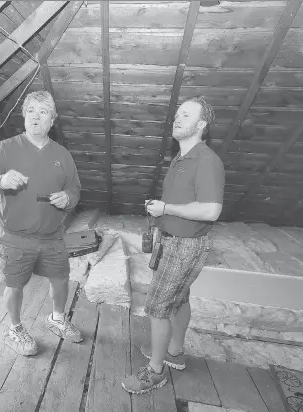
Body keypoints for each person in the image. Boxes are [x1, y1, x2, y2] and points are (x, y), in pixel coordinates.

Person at [122, 96, 225, 394]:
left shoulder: (206, 160)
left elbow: (210, 211)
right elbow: (183, 203)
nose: (178, 119)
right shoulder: (181, 158)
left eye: (186, 115)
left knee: (157, 307)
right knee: (179, 300)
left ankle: (154, 371)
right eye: (178, 114)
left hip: (186, 245)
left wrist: (165, 208)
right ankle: (174, 351)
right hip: (172, 240)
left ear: (201, 125)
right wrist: (161, 215)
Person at [0, 90, 83, 356]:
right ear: (24, 115)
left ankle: (57, 319)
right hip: (14, 236)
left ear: (52, 121)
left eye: (43, 111)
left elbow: (75, 189)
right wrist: (0, 181)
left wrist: (67, 198)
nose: (36, 115)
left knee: (60, 278)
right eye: (31, 110)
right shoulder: (3, 149)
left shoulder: (62, 155)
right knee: (14, 284)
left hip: (52, 234)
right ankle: (15, 329)